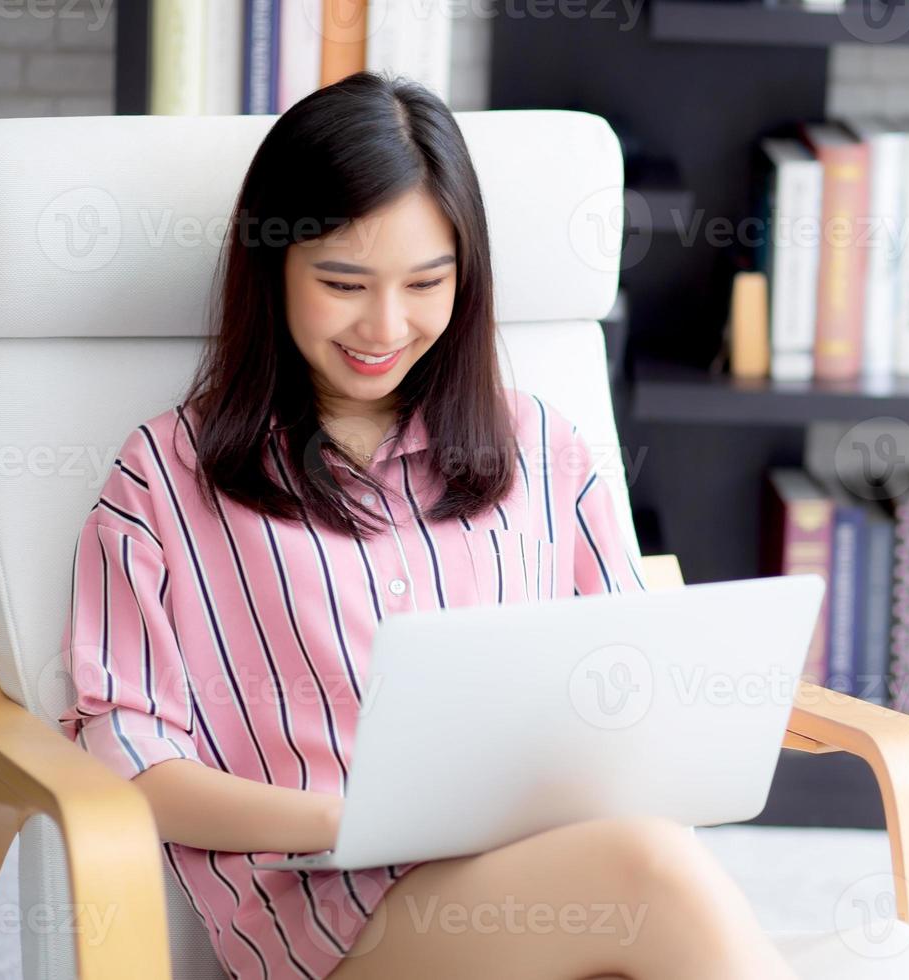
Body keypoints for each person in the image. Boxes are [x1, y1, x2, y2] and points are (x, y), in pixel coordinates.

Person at [56, 71, 800, 980]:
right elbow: (129, 756)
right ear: (273, 266)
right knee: (650, 874)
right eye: (342, 282)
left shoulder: (541, 448)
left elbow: (625, 692)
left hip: (545, 879)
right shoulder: (164, 477)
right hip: (339, 923)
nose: (386, 323)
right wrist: (349, 818)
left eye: (425, 282)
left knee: (649, 872)